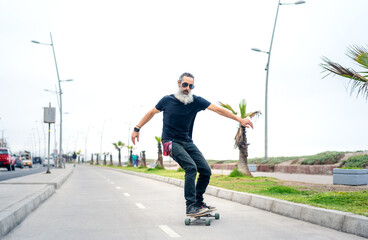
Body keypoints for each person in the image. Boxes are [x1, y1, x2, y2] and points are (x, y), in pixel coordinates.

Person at [131, 72, 253, 216]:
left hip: (187, 142)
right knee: (191, 167)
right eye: (184, 85)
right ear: (178, 83)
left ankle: (198, 202)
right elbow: (151, 112)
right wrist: (137, 128)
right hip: (169, 142)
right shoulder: (167, 100)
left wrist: (239, 119)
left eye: (190, 86)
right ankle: (190, 206)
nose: (187, 88)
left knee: (206, 170)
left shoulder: (196, 101)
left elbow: (218, 110)